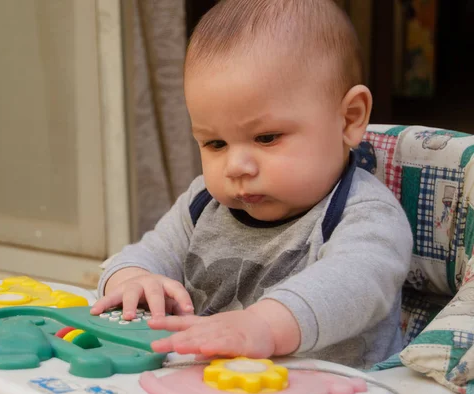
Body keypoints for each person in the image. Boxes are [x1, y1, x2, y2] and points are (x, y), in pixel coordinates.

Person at [91, 0, 413, 369]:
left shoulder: (365, 214)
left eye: (266, 138)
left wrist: (264, 324)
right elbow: (150, 252)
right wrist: (130, 279)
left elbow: (355, 285)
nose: (236, 166)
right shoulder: (202, 204)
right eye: (215, 144)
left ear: (349, 119)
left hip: (335, 386)